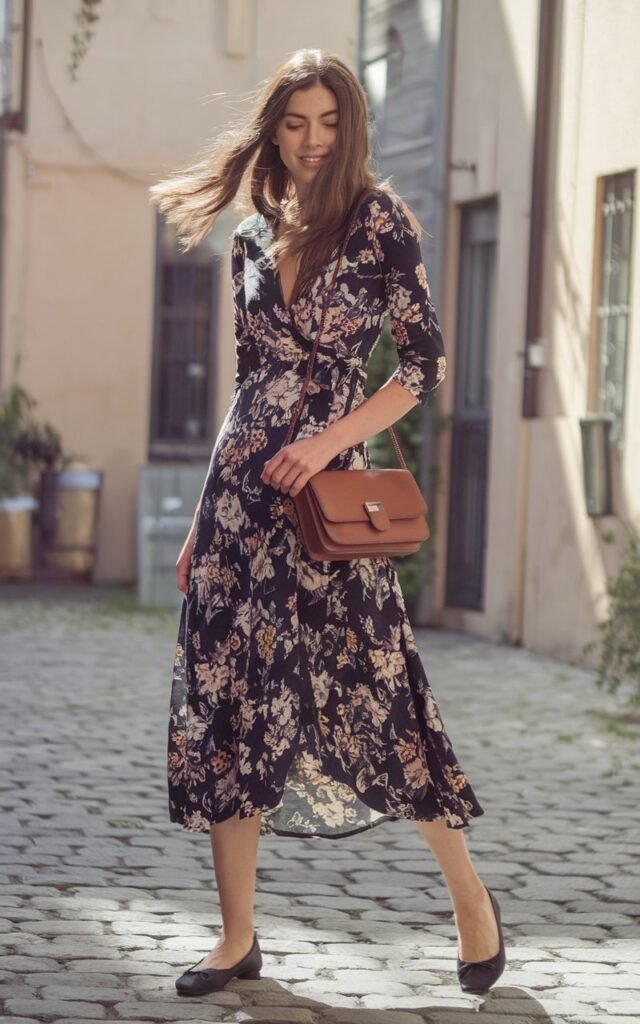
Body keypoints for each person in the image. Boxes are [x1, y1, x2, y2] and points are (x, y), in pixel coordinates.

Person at [149, 48, 505, 999]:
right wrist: (198, 519)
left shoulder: (380, 222)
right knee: (227, 703)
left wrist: (328, 442)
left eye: (329, 123)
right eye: (295, 123)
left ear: (351, 127)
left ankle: (470, 897)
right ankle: (235, 938)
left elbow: (420, 368)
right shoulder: (253, 237)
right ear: (274, 128)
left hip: (324, 507)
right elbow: (245, 386)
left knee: (374, 694)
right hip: (239, 502)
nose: (311, 141)